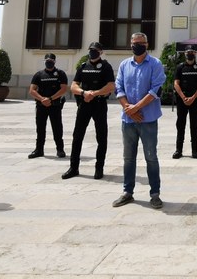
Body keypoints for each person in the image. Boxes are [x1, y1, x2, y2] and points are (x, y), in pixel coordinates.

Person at [112, 32, 165, 208]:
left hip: (148, 119)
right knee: (128, 158)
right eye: (134, 43)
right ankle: (128, 192)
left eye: (140, 43)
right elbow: (118, 88)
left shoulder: (155, 64)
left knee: (151, 157)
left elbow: (155, 90)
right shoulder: (124, 65)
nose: (137, 45)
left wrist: (136, 108)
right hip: (128, 120)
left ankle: (155, 194)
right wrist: (129, 108)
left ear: (147, 44)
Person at [62, 42, 115, 180]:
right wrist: (84, 92)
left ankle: (99, 168)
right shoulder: (83, 66)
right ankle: (73, 167)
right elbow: (73, 86)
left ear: (101, 52)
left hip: (99, 105)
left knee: (101, 137)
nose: (93, 52)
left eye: (96, 50)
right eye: (91, 50)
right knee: (77, 136)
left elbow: (111, 86)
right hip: (84, 104)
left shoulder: (106, 67)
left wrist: (95, 93)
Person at [28, 53, 68, 160]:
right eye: (47, 60)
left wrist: (50, 99)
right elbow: (32, 90)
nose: (48, 62)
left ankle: (60, 149)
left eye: (51, 60)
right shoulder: (39, 74)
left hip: (55, 105)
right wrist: (42, 99)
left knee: (57, 128)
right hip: (41, 106)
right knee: (40, 128)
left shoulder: (60, 74)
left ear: (54, 61)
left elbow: (64, 89)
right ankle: (39, 149)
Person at [172, 48, 197, 159]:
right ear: (184, 54)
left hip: (194, 100)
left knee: (194, 125)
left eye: (192, 52)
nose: (190, 54)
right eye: (187, 52)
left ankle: (195, 150)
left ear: (195, 54)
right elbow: (176, 84)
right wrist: (183, 97)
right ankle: (178, 150)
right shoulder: (180, 67)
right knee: (180, 125)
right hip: (182, 100)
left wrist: (193, 97)